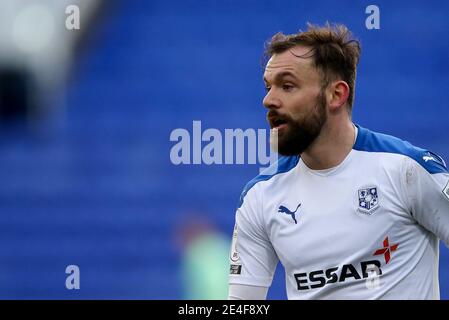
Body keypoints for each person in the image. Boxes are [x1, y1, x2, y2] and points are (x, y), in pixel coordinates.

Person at [228, 23, 449, 300]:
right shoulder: (259, 196)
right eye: (268, 87)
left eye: (287, 86)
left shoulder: (408, 170)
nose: (268, 100)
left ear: (336, 94)